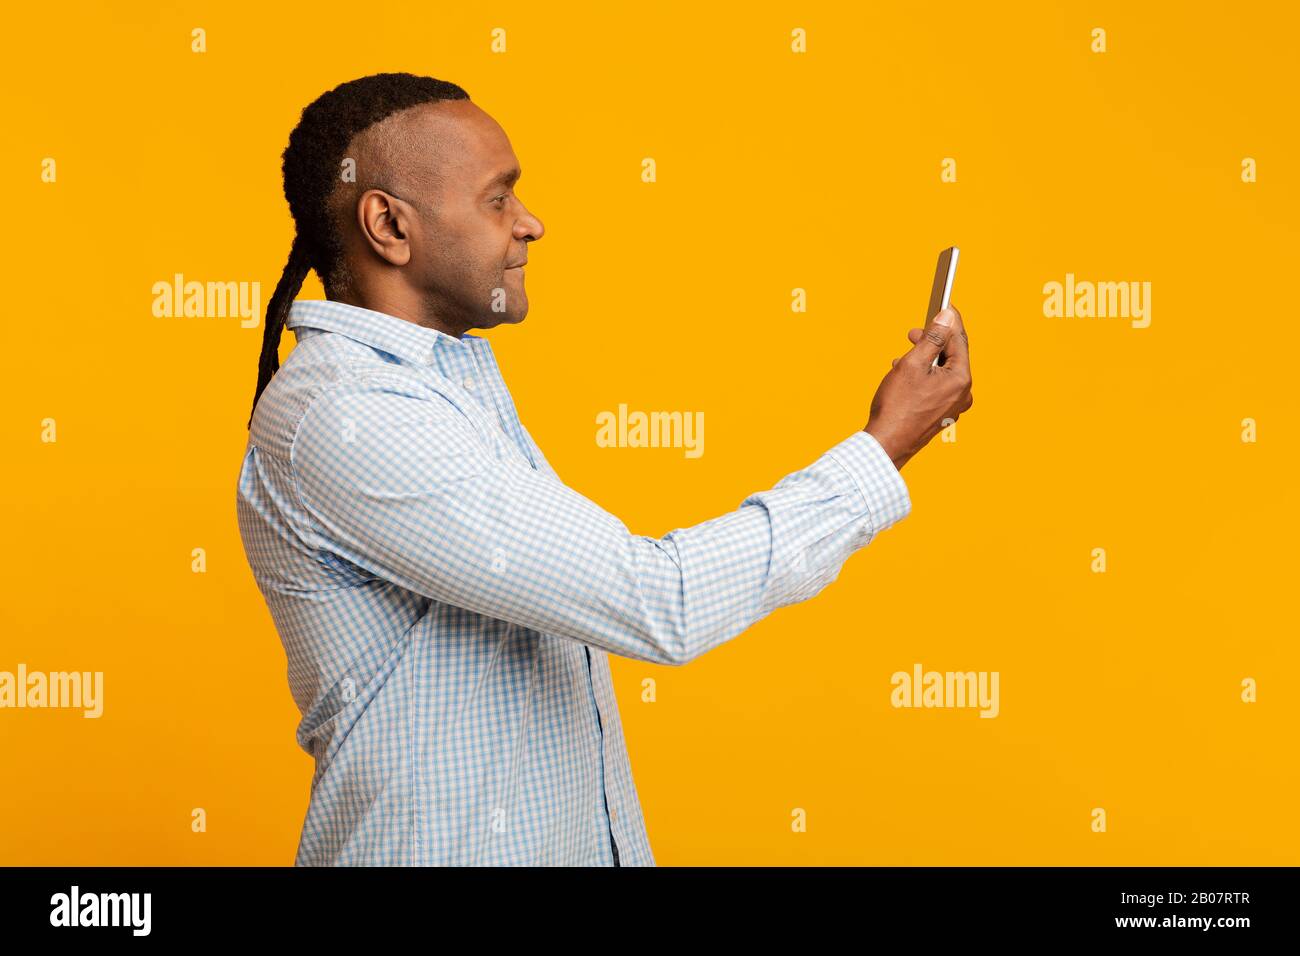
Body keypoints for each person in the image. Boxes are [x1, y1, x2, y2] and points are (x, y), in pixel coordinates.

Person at [236, 72, 974, 866]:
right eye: (498, 198)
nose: (531, 224)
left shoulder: (435, 392)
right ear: (388, 224)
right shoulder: (353, 416)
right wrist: (882, 447)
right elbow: (658, 599)